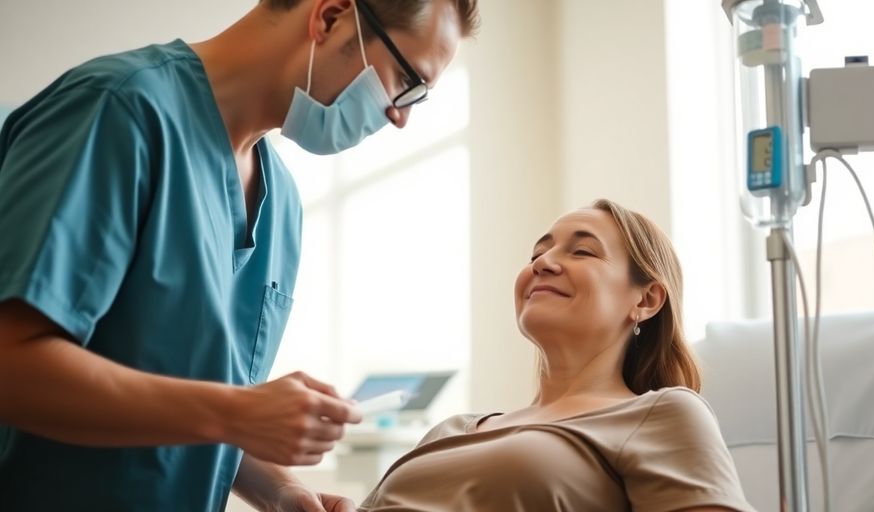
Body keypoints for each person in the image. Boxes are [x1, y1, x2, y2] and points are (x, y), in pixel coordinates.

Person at [0, 0, 479, 510]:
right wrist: (234, 413)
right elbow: (12, 364)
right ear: (331, 17)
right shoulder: (118, 111)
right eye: (407, 80)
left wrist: (280, 490)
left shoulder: (283, 203)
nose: (401, 116)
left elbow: (189, 401)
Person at [358, 199, 755, 512]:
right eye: (535, 255)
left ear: (646, 299)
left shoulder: (661, 414)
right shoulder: (452, 429)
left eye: (582, 251)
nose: (543, 264)